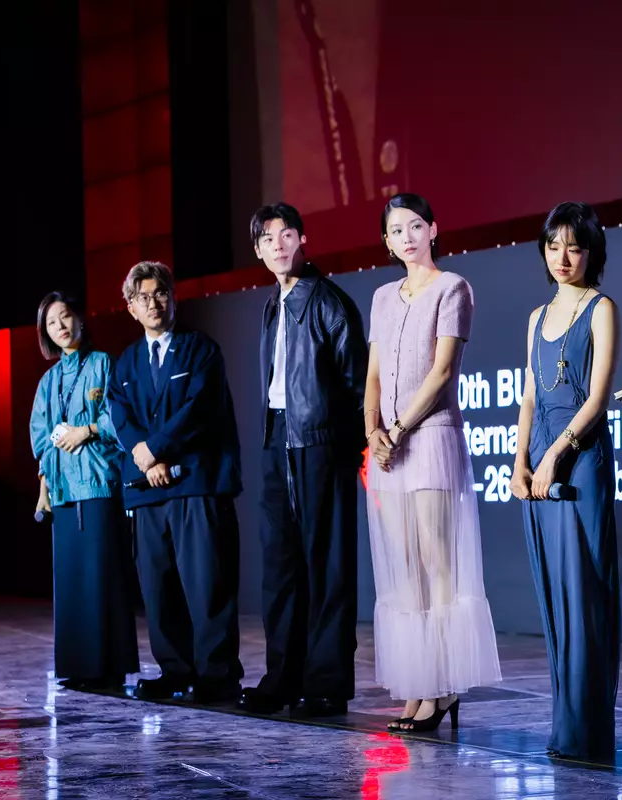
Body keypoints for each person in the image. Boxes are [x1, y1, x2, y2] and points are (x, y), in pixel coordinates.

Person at [364, 193, 501, 732]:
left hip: (431, 437)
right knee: (404, 568)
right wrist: (373, 430)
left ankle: (444, 686)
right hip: (389, 446)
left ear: (433, 229)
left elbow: (443, 372)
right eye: (397, 230)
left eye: (416, 226)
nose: (407, 237)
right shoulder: (382, 297)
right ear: (387, 241)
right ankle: (419, 684)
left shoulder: (452, 288)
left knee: (435, 559)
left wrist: (398, 429)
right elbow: (373, 375)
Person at [239, 202, 368, 718]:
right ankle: (282, 678)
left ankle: (326, 685)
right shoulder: (272, 304)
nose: (278, 246)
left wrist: (344, 449)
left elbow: (358, 386)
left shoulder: (330, 302)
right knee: (281, 567)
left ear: (302, 239)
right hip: (277, 440)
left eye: (286, 235)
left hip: (320, 443)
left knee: (328, 567)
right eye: (268, 239)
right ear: (258, 250)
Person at [509, 201, 621, 761]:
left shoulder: (601, 308)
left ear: (591, 252)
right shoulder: (535, 317)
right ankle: (566, 726)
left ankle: (587, 732)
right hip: (540, 462)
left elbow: (598, 399)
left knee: (586, 594)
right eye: (553, 246)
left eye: (574, 247)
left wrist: (556, 455)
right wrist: (520, 461)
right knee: (555, 596)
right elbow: (530, 396)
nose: (562, 257)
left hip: (581, 459)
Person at [108, 261, 245, 704]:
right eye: (143, 297)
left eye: (161, 293)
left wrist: (157, 449)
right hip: (148, 490)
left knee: (207, 584)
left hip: (197, 484)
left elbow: (199, 410)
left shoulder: (201, 350)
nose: (154, 303)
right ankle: (175, 671)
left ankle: (216, 676)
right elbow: (121, 415)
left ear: (173, 297)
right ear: (131, 307)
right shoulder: (126, 362)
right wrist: (146, 458)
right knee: (158, 588)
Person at [29, 292, 138, 691]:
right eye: (51, 323)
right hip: (62, 492)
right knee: (72, 582)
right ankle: (77, 667)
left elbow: (118, 416)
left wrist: (87, 430)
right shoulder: (48, 381)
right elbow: (40, 436)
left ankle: (108, 668)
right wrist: (46, 478)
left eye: (65, 317)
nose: (60, 326)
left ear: (80, 319)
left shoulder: (103, 364)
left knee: (102, 578)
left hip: (98, 485)